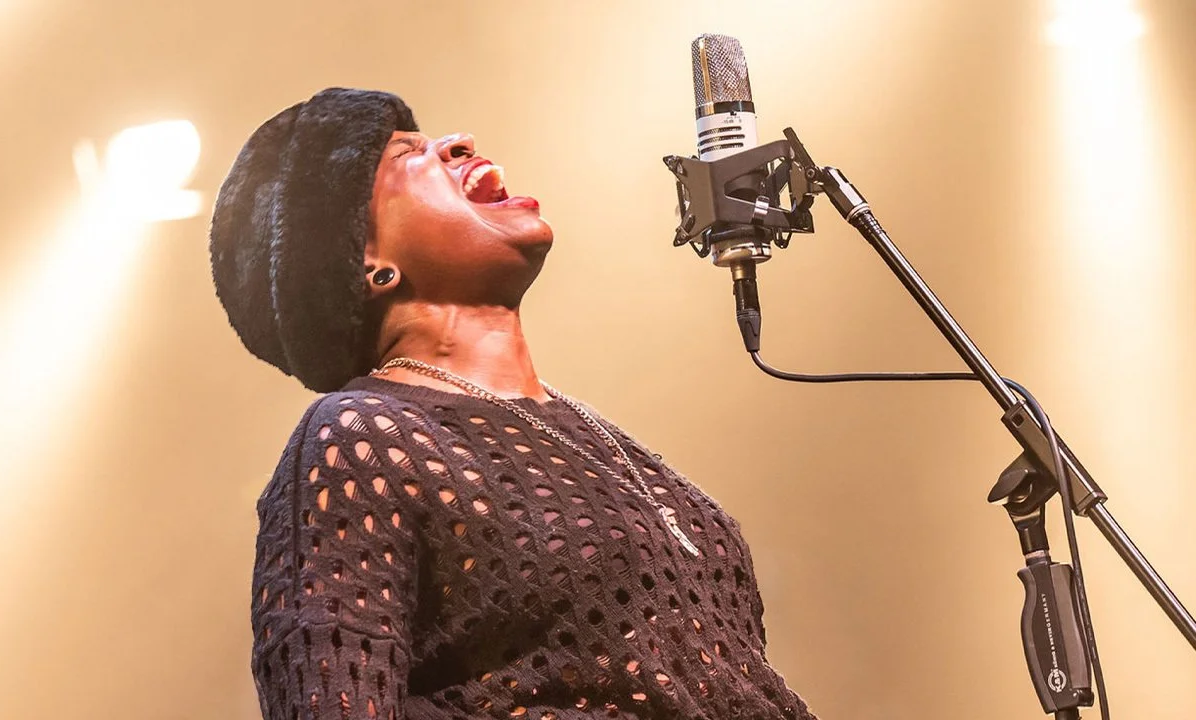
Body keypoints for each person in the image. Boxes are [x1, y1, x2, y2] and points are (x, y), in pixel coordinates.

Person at [210, 87, 817, 720]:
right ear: (368, 263)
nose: (460, 142)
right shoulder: (359, 436)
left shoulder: (599, 437)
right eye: (408, 153)